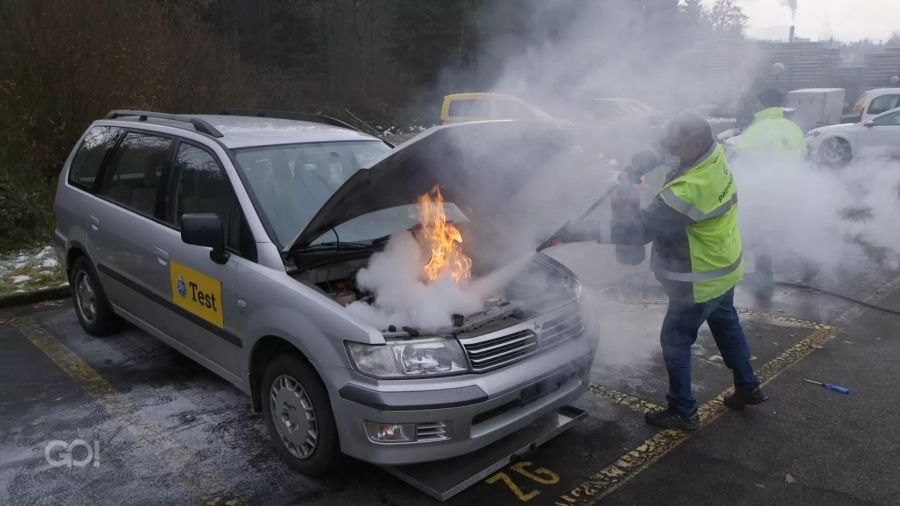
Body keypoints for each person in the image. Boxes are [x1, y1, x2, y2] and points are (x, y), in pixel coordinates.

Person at [561, 112, 767, 430]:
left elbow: (638, 231)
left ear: (695, 146)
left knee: (675, 341)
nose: (669, 150)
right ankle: (748, 386)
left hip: (698, 278)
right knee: (727, 326)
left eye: (676, 145)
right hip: (724, 267)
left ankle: (683, 410)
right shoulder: (713, 155)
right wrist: (637, 166)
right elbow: (663, 149)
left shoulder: (691, 189)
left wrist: (578, 231)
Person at [734, 88, 809, 293]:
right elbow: (803, 156)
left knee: (762, 230)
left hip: (765, 191)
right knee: (789, 228)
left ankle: (764, 274)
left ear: (760, 103)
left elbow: (744, 158)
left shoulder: (758, 129)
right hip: (792, 188)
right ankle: (812, 263)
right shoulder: (793, 127)